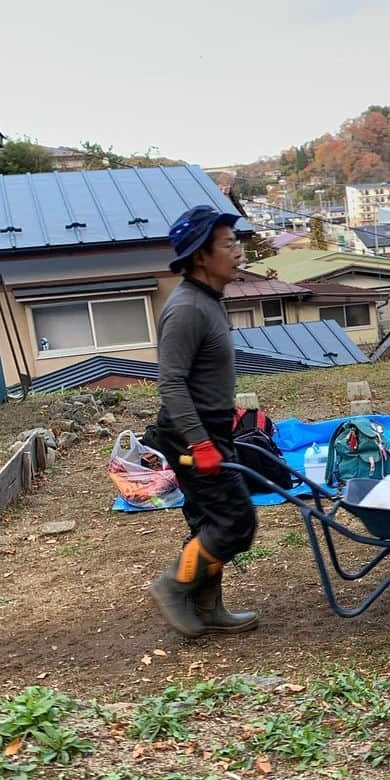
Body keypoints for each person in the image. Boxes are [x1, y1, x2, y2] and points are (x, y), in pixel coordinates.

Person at [148, 205, 259, 637]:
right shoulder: (187, 309)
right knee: (235, 520)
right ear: (201, 256)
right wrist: (199, 442)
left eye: (237, 242)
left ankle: (207, 606)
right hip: (190, 434)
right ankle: (173, 586)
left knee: (209, 522)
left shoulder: (209, 300)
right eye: (228, 244)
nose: (237, 251)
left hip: (210, 428)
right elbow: (171, 384)